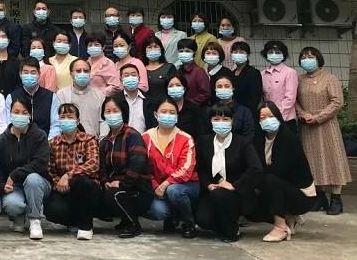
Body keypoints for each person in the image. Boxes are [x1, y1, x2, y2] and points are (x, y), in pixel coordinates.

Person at [249, 101, 317, 242]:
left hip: (301, 195)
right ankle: (289, 217)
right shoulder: (259, 139)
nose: (267, 120)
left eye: (270, 116)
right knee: (250, 208)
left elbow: (279, 171)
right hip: (281, 188)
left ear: (278, 116)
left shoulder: (288, 138)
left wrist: (256, 177)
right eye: (262, 118)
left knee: (269, 179)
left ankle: (281, 227)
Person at [296, 46, 352, 215]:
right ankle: (319, 197)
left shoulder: (330, 78)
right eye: (304, 56)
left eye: (311, 56)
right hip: (307, 126)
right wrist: (303, 114)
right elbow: (294, 100)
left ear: (318, 59)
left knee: (333, 159)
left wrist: (319, 116)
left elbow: (337, 102)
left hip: (327, 126)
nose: (307, 59)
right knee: (312, 161)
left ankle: (336, 198)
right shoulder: (299, 79)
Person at [195, 104, 262, 242]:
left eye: (225, 119)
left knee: (221, 196)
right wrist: (208, 184)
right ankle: (224, 225)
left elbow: (255, 168)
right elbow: (200, 168)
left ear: (232, 121)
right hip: (212, 190)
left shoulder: (242, 142)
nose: (221, 123)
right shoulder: (204, 141)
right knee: (202, 219)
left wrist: (235, 185)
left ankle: (232, 231)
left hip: (237, 192)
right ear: (210, 121)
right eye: (216, 118)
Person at [0, 95, 50, 240]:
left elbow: (41, 164)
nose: (20, 116)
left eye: (24, 112)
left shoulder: (39, 136)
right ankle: (19, 217)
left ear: (30, 115)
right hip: (15, 187)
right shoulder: (2, 140)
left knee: (32, 179)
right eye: (16, 112)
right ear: (10, 113)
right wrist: (2, 185)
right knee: (12, 205)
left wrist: (14, 174)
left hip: (38, 183)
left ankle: (34, 220)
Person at [143, 98, 199, 237]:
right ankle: (172, 217)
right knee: (157, 211)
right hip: (158, 187)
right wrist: (156, 185)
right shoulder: (145, 137)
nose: (168, 115)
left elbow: (186, 169)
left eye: (172, 112)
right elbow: (143, 167)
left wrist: (165, 184)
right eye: (164, 111)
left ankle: (189, 223)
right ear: (156, 114)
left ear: (177, 116)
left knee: (174, 191)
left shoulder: (185, 138)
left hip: (186, 185)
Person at [99, 95, 153, 238]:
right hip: (116, 187)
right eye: (108, 111)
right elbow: (102, 167)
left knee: (114, 193)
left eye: (115, 111)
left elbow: (138, 163)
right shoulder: (105, 141)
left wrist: (123, 183)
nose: (111, 115)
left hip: (137, 188)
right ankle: (125, 219)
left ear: (123, 112)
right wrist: (106, 182)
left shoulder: (132, 135)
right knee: (97, 192)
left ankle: (133, 224)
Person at [44, 103, 101, 240]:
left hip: (88, 188)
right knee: (52, 211)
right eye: (62, 117)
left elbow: (93, 164)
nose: (66, 120)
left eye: (70, 116)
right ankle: (75, 220)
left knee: (80, 182)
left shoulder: (89, 139)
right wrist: (59, 183)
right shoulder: (53, 143)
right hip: (63, 190)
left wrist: (68, 176)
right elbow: (49, 169)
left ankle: (86, 226)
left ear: (77, 120)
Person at [5, 58, 61, 138]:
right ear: (20, 74)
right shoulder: (11, 97)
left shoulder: (51, 97)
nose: (29, 75)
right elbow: (9, 124)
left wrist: (47, 143)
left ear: (39, 74)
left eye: (33, 72)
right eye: (26, 72)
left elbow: (56, 125)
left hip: (46, 144)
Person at [56, 59, 104, 136]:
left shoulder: (99, 95)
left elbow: (103, 122)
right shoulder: (61, 94)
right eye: (78, 71)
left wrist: (102, 140)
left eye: (86, 71)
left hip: (94, 142)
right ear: (71, 73)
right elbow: (56, 122)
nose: (82, 73)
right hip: (68, 143)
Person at [261, 40, 299, 132]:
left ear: (283, 55)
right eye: (270, 52)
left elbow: (290, 98)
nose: (274, 54)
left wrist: (277, 114)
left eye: (278, 52)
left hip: (286, 119)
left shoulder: (290, 72)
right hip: (268, 119)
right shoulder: (262, 74)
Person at [203, 74, 254, 140]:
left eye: (227, 86)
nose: (223, 89)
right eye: (219, 86)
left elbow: (248, 135)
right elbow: (205, 134)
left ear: (233, 88)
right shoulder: (209, 111)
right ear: (215, 89)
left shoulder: (244, 112)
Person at [118, 64, 155, 134]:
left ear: (139, 78)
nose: (130, 78)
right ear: (120, 79)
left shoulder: (149, 100)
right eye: (126, 75)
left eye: (133, 75)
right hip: (123, 141)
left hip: (145, 141)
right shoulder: (115, 100)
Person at [230, 41, 263, 113]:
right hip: (233, 113)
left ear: (248, 55)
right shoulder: (231, 73)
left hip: (248, 113)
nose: (238, 55)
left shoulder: (253, 73)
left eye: (241, 52)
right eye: (235, 52)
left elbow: (255, 99)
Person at [175, 38, 210, 106]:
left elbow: (205, 94)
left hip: (194, 110)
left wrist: (190, 103)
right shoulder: (178, 70)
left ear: (195, 52)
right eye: (181, 51)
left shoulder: (199, 72)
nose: (183, 53)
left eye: (187, 51)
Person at [166, 75, 201, 139]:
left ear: (184, 88)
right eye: (171, 86)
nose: (174, 88)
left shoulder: (194, 109)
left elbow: (200, 133)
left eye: (178, 85)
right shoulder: (163, 109)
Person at [144, 36, 176, 105]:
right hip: (145, 108)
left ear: (161, 49)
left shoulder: (169, 67)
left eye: (156, 46)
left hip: (164, 107)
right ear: (144, 50)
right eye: (149, 47)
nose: (153, 50)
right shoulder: (141, 68)